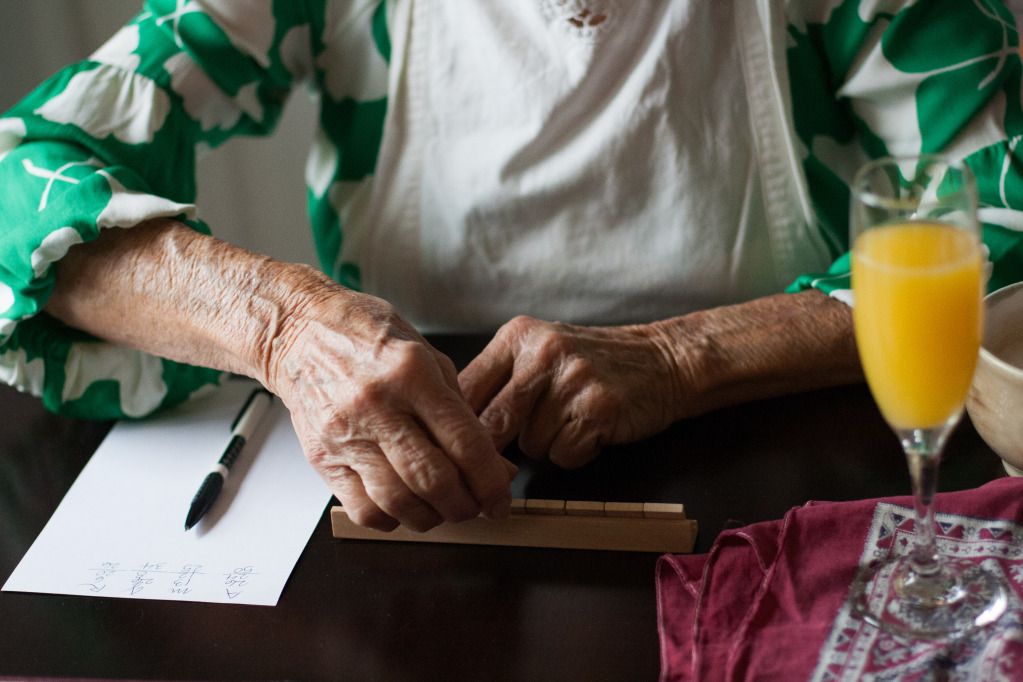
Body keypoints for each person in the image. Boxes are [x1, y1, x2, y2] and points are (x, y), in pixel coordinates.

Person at [2, 0, 1022, 532]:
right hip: (419, 501)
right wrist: (283, 324)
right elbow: (20, 177)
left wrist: (682, 354)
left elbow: (1007, 208)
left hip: (772, 480)